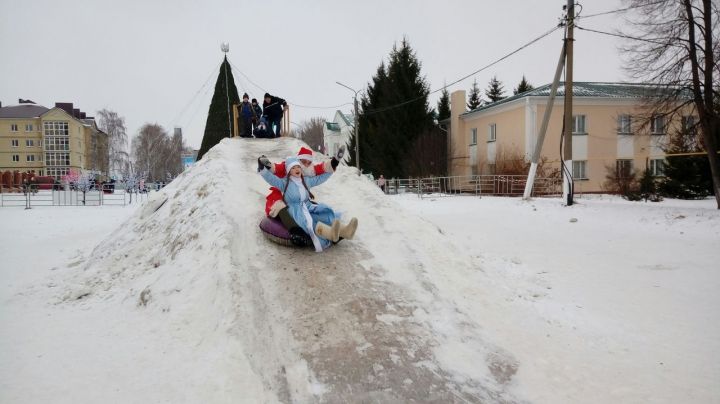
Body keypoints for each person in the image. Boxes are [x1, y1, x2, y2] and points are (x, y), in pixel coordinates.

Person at [258, 155, 357, 252]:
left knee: (322, 215)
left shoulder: (306, 180)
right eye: (293, 167)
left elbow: (320, 178)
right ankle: (330, 234)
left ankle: (345, 231)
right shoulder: (284, 183)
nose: (297, 169)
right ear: (289, 171)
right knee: (308, 223)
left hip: (307, 206)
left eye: (298, 167)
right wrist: (262, 168)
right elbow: (271, 179)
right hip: (295, 210)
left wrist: (333, 166)